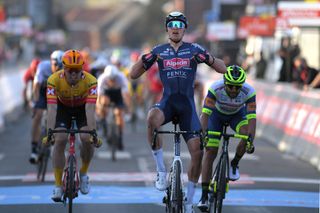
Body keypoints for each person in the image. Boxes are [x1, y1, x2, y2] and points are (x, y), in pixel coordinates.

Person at [130, 11, 227, 213]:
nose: (175, 27)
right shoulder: (159, 50)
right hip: (167, 103)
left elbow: (223, 69)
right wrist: (145, 58)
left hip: (187, 108)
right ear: (167, 28)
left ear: (184, 28)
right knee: (151, 118)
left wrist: (207, 57)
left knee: (198, 153)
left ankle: (190, 200)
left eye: (179, 24)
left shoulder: (194, 49)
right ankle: (161, 171)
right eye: (172, 24)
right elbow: (133, 74)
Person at [43, 49, 102, 202]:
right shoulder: (53, 80)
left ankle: (83, 174)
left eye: (77, 71)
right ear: (64, 69)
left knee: (86, 138)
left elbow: (90, 109)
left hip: (82, 110)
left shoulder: (91, 81)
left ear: (82, 69)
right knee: (60, 139)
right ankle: (57, 185)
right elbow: (52, 108)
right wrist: (50, 132)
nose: (74, 75)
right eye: (70, 71)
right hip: (63, 110)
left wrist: (93, 134)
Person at [197, 65, 256, 211]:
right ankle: (204, 196)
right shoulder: (215, 89)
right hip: (215, 116)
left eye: (237, 87)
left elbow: (252, 119)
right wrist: (202, 134)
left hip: (237, 115)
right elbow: (205, 115)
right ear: (224, 82)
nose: (234, 90)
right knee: (210, 151)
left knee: (246, 133)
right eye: (230, 86)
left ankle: (234, 163)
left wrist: (250, 140)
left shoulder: (249, 92)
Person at [29, 50, 64, 164]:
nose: (57, 68)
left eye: (60, 66)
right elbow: (36, 85)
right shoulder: (43, 67)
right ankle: (34, 148)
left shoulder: (65, 70)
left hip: (56, 92)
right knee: (38, 115)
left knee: (54, 115)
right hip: (43, 92)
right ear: (51, 62)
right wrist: (35, 102)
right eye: (55, 65)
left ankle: (53, 139)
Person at [96, 64, 130, 150]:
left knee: (119, 113)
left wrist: (127, 107)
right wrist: (99, 109)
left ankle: (120, 138)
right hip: (107, 94)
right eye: (110, 79)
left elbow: (126, 95)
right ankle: (104, 125)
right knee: (103, 103)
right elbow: (98, 96)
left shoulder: (121, 77)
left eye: (113, 79)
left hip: (117, 95)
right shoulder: (102, 78)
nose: (112, 80)